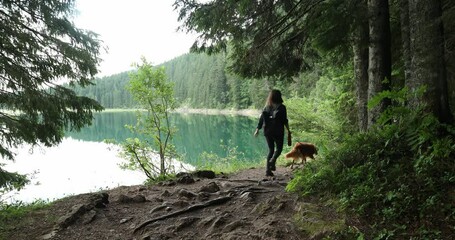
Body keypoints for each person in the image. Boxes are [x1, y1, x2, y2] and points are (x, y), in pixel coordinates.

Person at [254, 89, 290, 176]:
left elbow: (261, 119)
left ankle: (268, 171)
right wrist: (288, 130)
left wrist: (257, 129)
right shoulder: (282, 107)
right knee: (279, 149)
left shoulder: (266, 107)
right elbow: (285, 120)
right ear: (279, 96)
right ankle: (272, 160)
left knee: (271, 150)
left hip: (267, 131)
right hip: (278, 131)